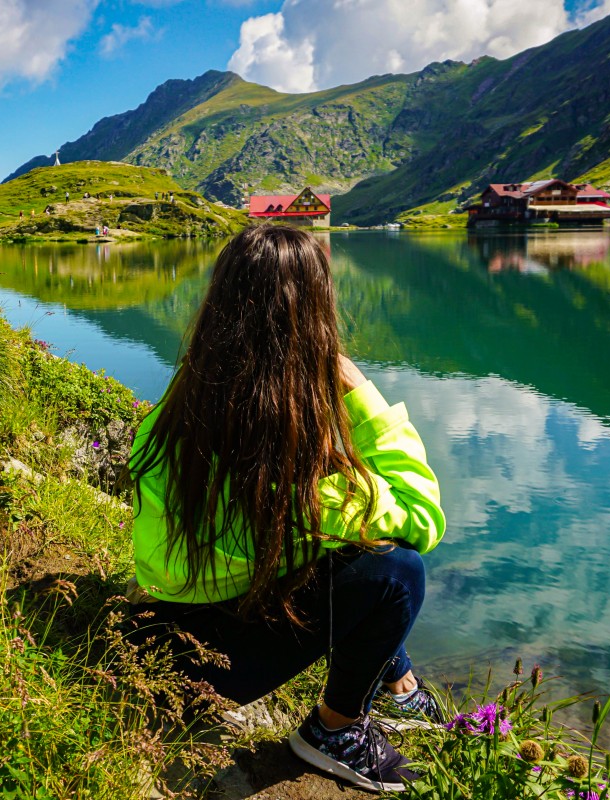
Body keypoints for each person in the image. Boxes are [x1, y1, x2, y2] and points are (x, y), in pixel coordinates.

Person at [127, 224, 446, 793]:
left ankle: (398, 682)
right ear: (314, 321)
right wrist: (360, 391)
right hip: (204, 670)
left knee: (349, 545)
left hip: (154, 627)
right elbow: (421, 517)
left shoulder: (174, 414)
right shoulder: (287, 478)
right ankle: (333, 730)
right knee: (396, 571)